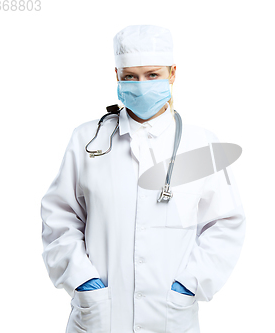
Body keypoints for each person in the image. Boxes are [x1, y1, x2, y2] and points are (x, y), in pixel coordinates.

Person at [40, 25, 246, 333]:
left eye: (152, 75)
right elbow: (60, 217)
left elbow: (226, 223)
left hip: (170, 314)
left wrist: (190, 284)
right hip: (99, 314)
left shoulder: (202, 144)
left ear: (172, 73)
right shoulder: (88, 140)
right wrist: (81, 279)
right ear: (117, 76)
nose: (141, 85)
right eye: (130, 76)